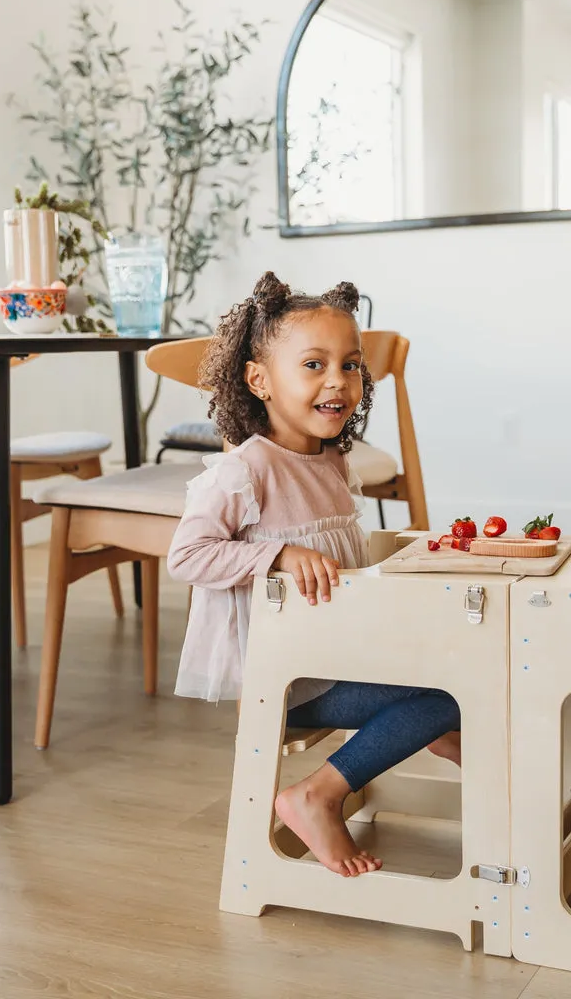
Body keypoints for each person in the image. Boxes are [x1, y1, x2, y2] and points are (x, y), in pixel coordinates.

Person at [168, 272, 461, 878]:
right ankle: (318, 794)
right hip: (294, 680)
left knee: (465, 663)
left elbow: (345, 557)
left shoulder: (330, 461)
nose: (338, 380)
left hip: (341, 655)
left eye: (351, 365)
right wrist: (272, 557)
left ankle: (443, 733)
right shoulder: (245, 471)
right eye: (313, 364)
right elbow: (187, 556)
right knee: (447, 697)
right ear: (260, 380)